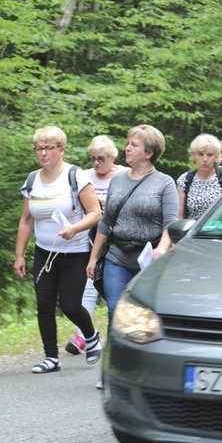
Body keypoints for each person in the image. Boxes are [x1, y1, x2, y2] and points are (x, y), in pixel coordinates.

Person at [14, 126, 102, 374]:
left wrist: (74, 228)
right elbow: (26, 219)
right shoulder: (32, 180)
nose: (43, 153)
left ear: (61, 149)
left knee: (71, 305)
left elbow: (95, 213)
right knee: (44, 304)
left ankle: (91, 335)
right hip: (44, 252)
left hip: (75, 251)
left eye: (49, 148)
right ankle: (51, 357)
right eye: (39, 148)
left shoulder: (76, 176)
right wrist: (19, 255)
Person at [87, 125, 178, 326]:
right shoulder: (118, 179)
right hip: (117, 257)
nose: (127, 148)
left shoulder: (165, 183)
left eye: (134, 145)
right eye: (128, 143)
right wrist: (93, 257)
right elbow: (107, 221)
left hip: (148, 262)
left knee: (143, 316)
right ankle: (114, 357)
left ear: (149, 153)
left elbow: (171, 223)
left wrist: (161, 249)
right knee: (115, 310)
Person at [65, 135, 126, 355]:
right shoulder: (85, 176)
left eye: (101, 158)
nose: (96, 163)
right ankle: (82, 335)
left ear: (112, 156)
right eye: (92, 158)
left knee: (115, 293)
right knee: (87, 288)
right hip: (90, 239)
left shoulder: (124, 175)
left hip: (118, 242)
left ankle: (120, 337)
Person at [176, 133, 222, 220]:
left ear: (216, 157)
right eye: (200, 154)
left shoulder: (221, 176)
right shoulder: (185, 180)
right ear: (194, 156)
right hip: (193, 232)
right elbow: (179, 216)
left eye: (209, 155)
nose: (205, 159)